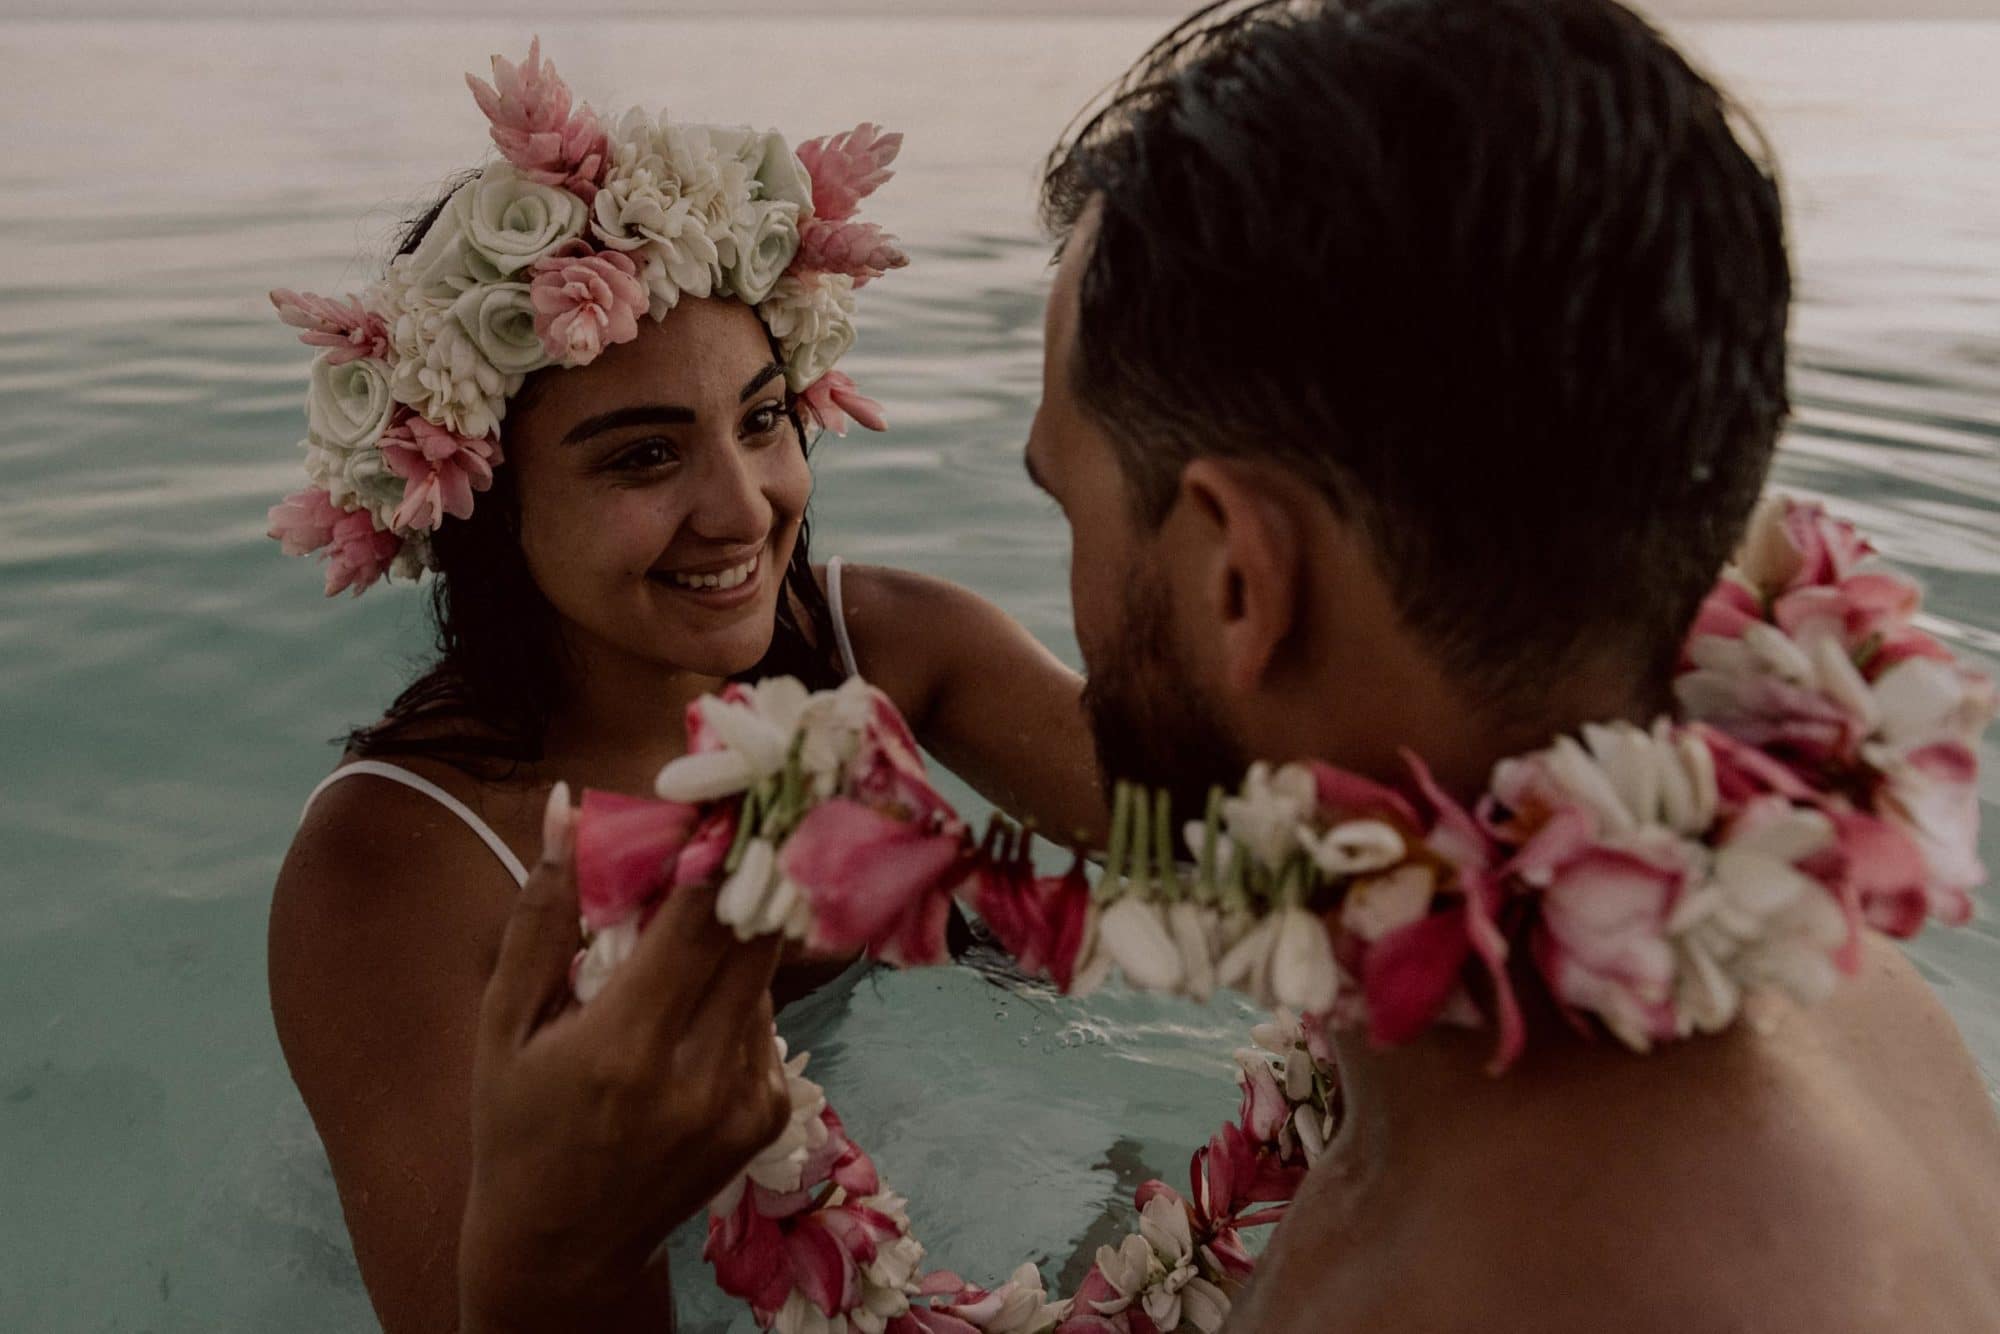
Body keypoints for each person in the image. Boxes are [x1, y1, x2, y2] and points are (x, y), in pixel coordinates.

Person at [457, 1, 2000, 1330]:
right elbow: (1191, 867)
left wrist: (548, 1255)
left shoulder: (1485, 1287)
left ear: (1239, 576)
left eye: (1068, 503)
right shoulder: (1840, 987)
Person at [263, 44, 1104, 1334]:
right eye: (645, 455)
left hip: (877, 1145)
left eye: (761, 421)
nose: (742, 508)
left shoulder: (879, 646)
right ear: (488, 505)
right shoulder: (400, 866)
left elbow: (1224, 825)